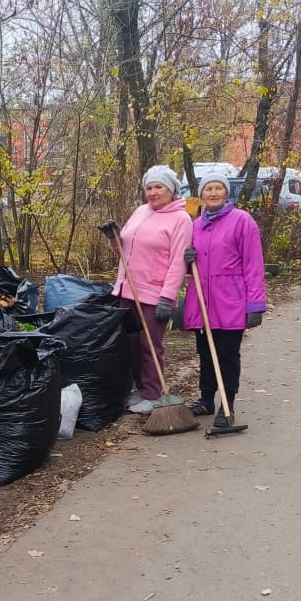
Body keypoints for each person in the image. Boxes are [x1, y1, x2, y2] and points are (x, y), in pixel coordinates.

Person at [103, 165, 192, 414]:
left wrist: (167, 297)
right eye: (149, 187)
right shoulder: (141, 211)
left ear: (171, 190)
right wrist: (113, 238)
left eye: (159, 187)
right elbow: (123, 247)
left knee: (149, 344)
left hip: (154, 294)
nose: (153, 192)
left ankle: (153, 393)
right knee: (130, 343)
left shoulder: (180, 219)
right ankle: (141, 389)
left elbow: (178, 261)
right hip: (126, 289)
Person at [183, 172, 266, 428]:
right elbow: (193, 267)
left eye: (219, 188)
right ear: (202, 194)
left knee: (227, 355)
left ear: (226, 193)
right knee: (206, 353)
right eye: (209, 188)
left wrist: (255, 304)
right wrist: (186, 261)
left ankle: (227, 405)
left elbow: (253, 264)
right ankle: (206, 399)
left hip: (230, 300)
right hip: (202, 301)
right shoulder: (195, 225)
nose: (213, 193)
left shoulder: (242, 221)